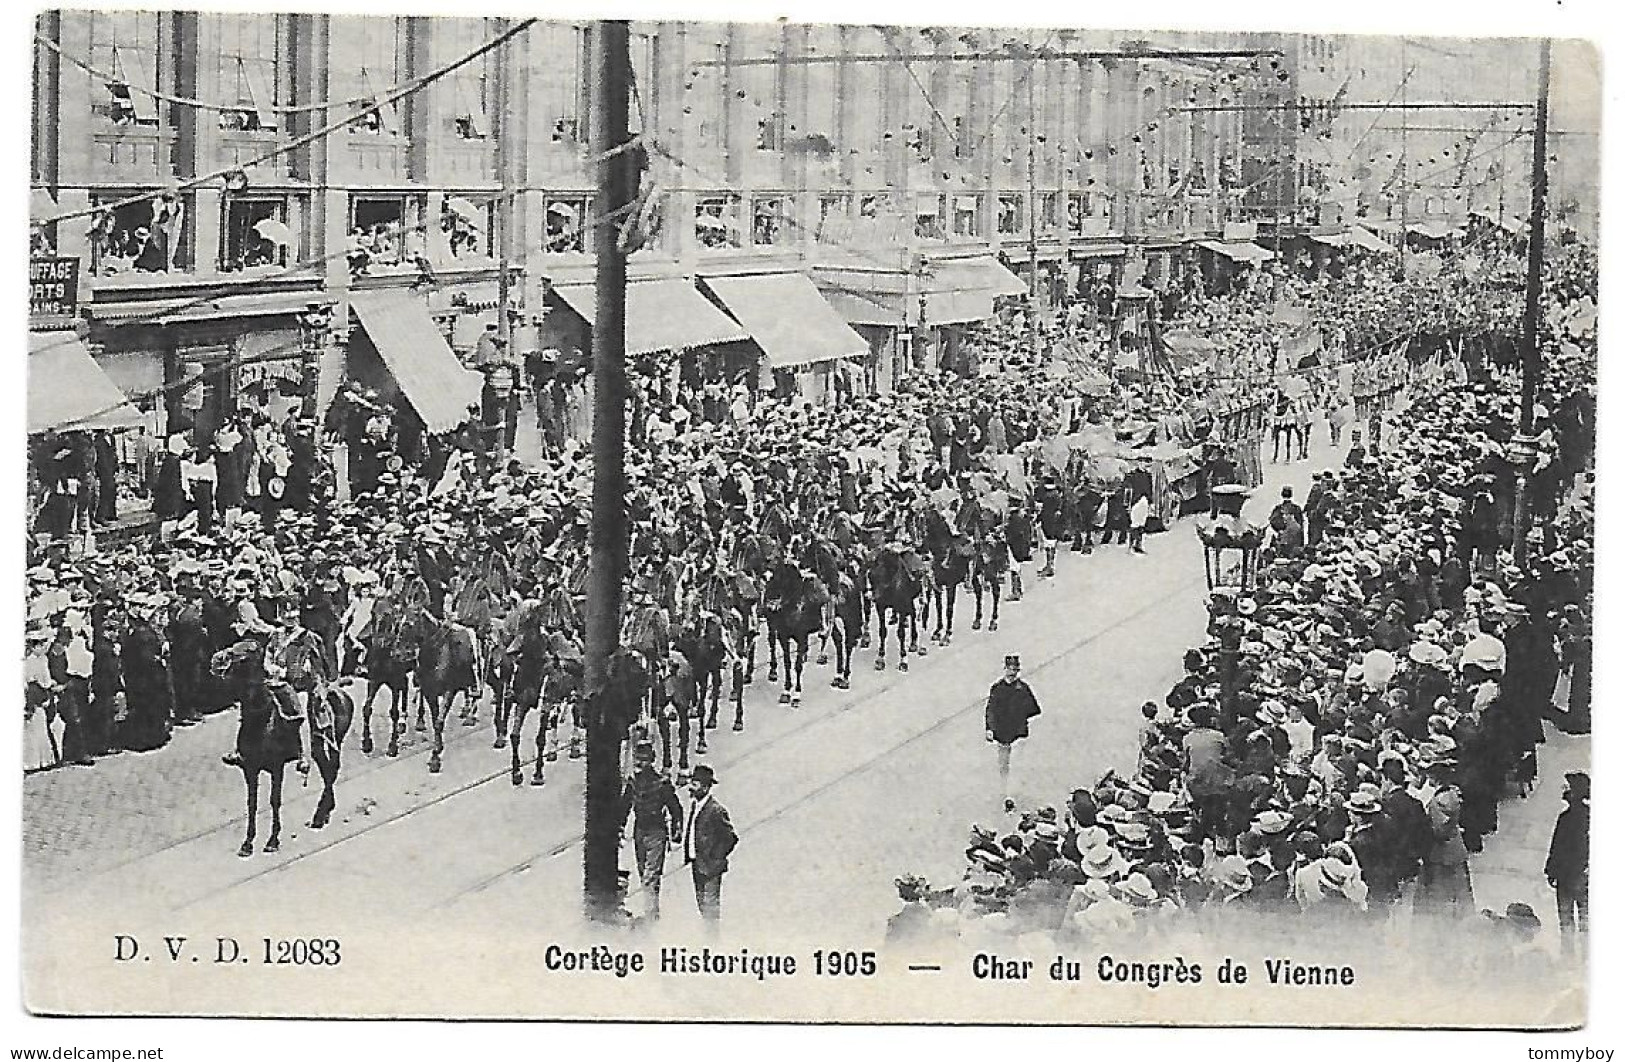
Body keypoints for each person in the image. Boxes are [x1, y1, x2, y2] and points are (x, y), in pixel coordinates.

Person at [622, 739, 684, 921]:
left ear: (651, 761)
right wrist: (620, 828)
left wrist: (676, 829)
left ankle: (650, 915)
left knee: (650, 875)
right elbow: (624, 806)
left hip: (657, 831)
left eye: (643, 759)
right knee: (644, 873)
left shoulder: (662, 784)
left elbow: (675, 808)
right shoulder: (633, 783)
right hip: (639, 831)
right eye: (637, 759)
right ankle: (654, 910)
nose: (639, 763)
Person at [682, 763, 736, 930]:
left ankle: (712, 943)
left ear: (705, 787)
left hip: (710, 866)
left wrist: (715, 856)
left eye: (695, 784)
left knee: (710, 907)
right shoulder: (695, 805)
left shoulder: (716, 810)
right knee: (702, 906)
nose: (690, 788)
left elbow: (730, 837)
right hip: (697, 863)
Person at [1544, 770, 1589, 958]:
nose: (1565, 790)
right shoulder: (1589, 816)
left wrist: (1551, 870)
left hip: (1567, 876)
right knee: (1586, 916)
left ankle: (1568, 954)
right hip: (1582, 876)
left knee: (1566, 918)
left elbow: (1558, 847)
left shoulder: (1566, 818)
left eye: (1569, 787)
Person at [985, 654, 1041, 797]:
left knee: (1016, 765)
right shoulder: (998, 688)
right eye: (1010, 669)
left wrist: (1020, 716)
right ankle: (1005, 791)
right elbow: (990, 709)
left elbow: (1035, 709)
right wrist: (989, 728)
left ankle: (1013, 792)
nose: (1012, 672)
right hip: (1004, 733)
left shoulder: (1022, 689)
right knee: (1004, 765)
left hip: (1018, 734)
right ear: (1005, 669)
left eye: (1015, 670)